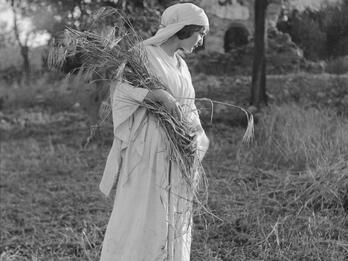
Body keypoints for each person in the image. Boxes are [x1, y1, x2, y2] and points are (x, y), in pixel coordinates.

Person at [99, 3, 210, 261]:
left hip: (177, 147)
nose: (201, 40)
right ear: (184, 29)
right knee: (145, 207)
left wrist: (194, 134)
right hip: (150, 146)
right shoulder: (143, 55)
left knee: (173, 209)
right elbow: (122, 90)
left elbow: (189, 105)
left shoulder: (181, 65)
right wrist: (158, 95)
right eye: (200, 33)